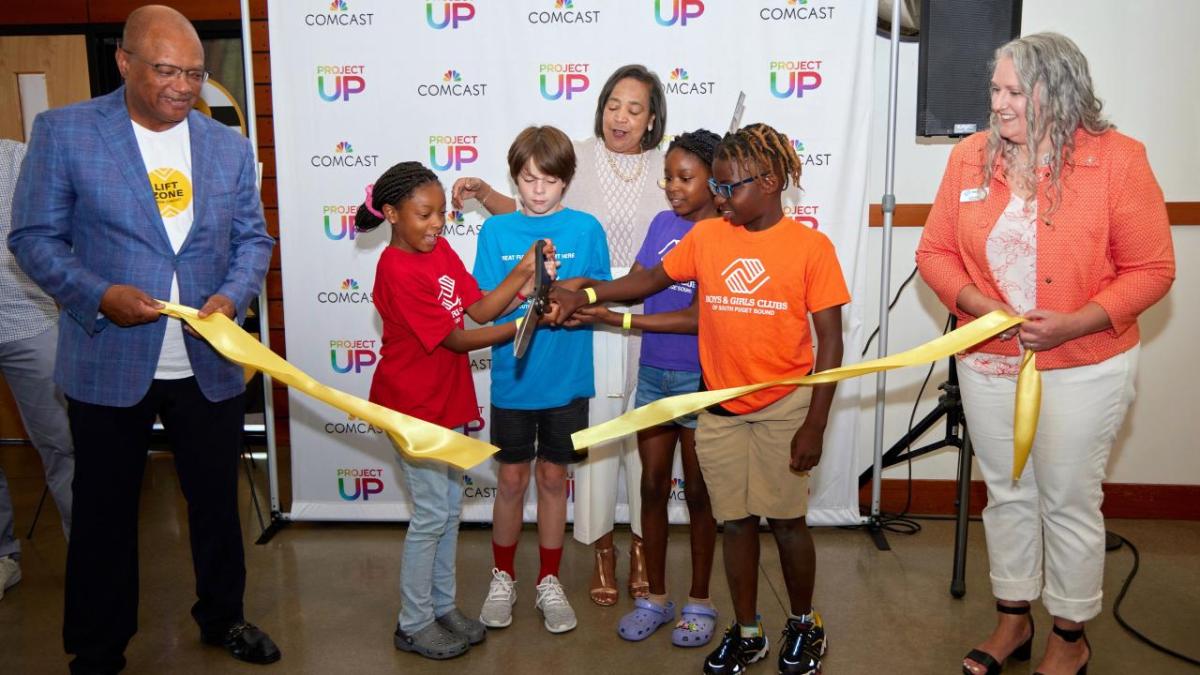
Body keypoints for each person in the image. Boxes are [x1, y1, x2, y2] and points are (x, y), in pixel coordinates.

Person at [8, 6, 279, 673]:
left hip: (206, 363)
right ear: (125, 62)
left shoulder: (225, 143)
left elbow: (252, 239)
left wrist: (232, 294)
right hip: (107, 358)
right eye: (167, 70)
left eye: (193, 71)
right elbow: (32, 238)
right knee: (102, 513)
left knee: (216, 505)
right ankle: (97, 648)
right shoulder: (65, 132)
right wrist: (98, 293)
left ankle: (223, 617)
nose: (185, 86)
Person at [916, 32, 1174, 675]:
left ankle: (1069, 634)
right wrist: (977, 306)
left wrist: (1076, 322)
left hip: (1085, 361)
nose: (996, 105)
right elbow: (935, 253)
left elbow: (1152, 269)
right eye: (993, 90)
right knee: (1005, 493)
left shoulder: (1118, 160)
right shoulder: (971, 158)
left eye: (1012, 92)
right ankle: (1012, 624)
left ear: (1058, 94)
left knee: (1066, 498)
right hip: (990, 361)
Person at [552, 123, 849, 675]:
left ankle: (805, 624)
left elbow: (830, 339)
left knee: (786, 523)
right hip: (719, 406)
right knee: (734, 523)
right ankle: (748, 629)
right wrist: (586, 291)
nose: (721, 197)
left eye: (731, 187)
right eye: (718, 185)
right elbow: (643, 283)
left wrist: (815, 424)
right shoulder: (708, 238)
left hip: (783, 405)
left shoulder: (811, 247)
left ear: (773, 179)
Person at [453, 64, 670, 603]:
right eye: (613, 104)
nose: (621, 115)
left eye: (635, 107)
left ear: (651, 118)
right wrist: (528, 278)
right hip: (542, 365)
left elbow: (592, 284)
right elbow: (490, 290)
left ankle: (605, 560)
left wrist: (569, 300)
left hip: (632, 324)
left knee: (620, 455)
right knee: (535, 471)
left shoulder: (659, 174)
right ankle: (556, 562)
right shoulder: (529, 203)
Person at [356, 161, 557, 660]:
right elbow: (456, 339)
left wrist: (524, 273)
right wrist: (525, 325)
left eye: (440, 215)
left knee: (446, 511)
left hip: (445, 403)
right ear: (391, 214)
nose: (436, 225)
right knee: (430, 515)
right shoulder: (395, 268)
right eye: (423, 216)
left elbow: (479, 309)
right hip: (412, 409)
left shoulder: (438, 249)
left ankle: (441, 608)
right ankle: (414, 621)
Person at [568, 130, 721, 646]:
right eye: (669, 177)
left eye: (684, 178)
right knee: (651, 488)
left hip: (702, 380)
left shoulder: (726, 233)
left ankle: (700, 601)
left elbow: (699, 319)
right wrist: (586, 293)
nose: (672, 188)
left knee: (700, 495)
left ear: (713, 179)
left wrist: (619, 321)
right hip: (654, 374)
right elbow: (639, 280)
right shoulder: (662, 223)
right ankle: (656, 597)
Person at [473, 126, 611, 635]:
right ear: (515, 177)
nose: (537, 191)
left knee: (554, 480)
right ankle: (502, 578)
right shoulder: (496, 232)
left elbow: (600, 293)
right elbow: (484, 309)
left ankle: (548, 582)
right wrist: (529, 287)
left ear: (565, 182)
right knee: (511, 480)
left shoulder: (586, 228)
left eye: (549, 181)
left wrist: (565, 295)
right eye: (528, 179)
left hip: (568, 382)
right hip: (513, 379)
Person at [0, 139, 74, 601]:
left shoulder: (18, 156)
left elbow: (58, 234)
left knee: (66, 444)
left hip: (28, 320)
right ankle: (3, 558)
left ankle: (94, 560)